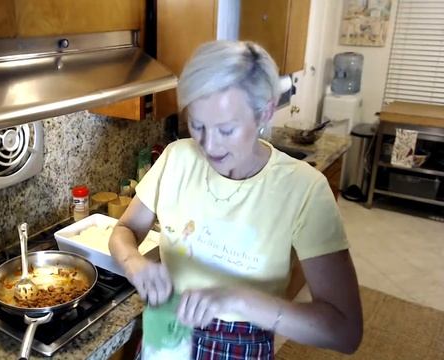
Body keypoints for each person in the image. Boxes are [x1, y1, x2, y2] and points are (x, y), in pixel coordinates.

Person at [108, 41, 363, 359]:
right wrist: (136, 265)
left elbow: (344, 330)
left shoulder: (304, 190)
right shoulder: (176, 159)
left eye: (226, 129)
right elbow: (125, 230)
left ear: (265, 111)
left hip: (240, 347)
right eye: (198, 125)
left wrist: (237, 300)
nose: (209, 145)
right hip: (164, 341)